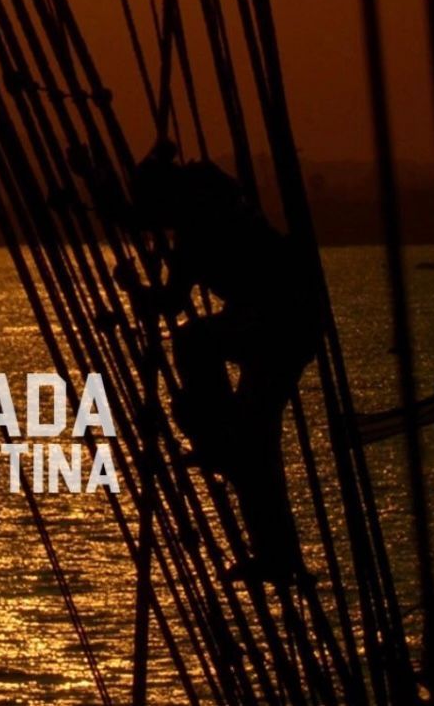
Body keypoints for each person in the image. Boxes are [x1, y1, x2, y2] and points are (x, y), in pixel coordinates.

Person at [129, 141, 321, 583]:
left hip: (279, 325)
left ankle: (217, 431)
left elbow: (171, 303)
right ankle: (278, 555)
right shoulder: (216, 208)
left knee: (195, 344)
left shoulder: (200, 226)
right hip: (283, 324)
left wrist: (137, 291)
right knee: (254, 450)